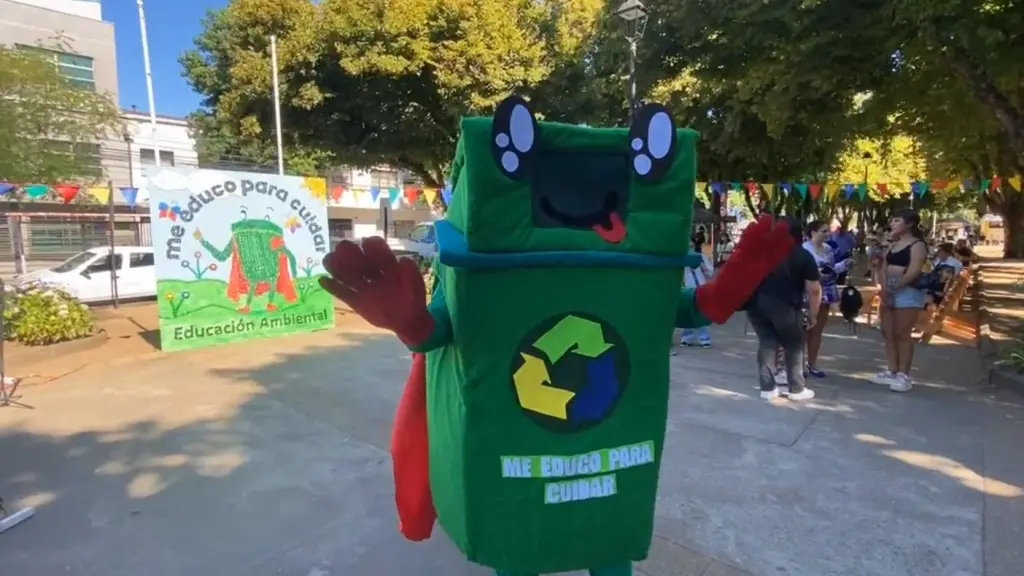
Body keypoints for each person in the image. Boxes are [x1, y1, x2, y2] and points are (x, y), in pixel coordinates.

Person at [747, 217, 822, 401]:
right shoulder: (803, 255)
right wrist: (813, 314)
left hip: (757, 304)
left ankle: (767, 388)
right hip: (787, 306)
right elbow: (814, 289)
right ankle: (797, 388)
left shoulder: (761, 252)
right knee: (793, 345)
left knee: (767, 343)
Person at [870, 208, 928, 392]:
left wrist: (896, 286)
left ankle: (904, 374)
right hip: (889, 288)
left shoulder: (917, 245)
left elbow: (914, 271)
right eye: (892, 221)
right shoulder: (893, 244)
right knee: (888, 331)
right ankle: (892, 370)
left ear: (910, 224)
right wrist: (884, 289)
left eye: (897, 220)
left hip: (907, 291)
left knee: (902, 332)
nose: (893, 224)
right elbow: (883, 267)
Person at [802, 221, 853, 377]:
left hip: (826, 291)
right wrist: (815, 274)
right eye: (823, 231)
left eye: (827, 231)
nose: (827, 234)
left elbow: (833, 268)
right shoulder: (805, 249)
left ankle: (812, 363)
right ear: (812, 232)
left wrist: (844, 265)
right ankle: (798, 364)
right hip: (808, 292)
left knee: (817, 330)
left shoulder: (829, 249)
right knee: (803, 329)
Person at [681, 240, 715, 347]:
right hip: (688, 289)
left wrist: (701, 264)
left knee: (700, 313)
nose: (690, 247)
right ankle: (686, 338)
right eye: (688, 246)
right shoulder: (682, 258)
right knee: (687, 313)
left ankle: (704, 339)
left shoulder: (701, 257)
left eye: (691, 245)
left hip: (701, 287)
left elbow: (710, 272)